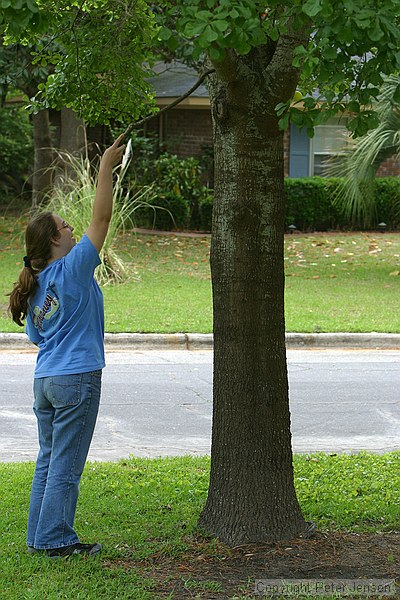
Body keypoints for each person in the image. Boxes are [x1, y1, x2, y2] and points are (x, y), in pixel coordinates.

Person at [8, 135, 126, 558]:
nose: (71, 228)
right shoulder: (74, 268)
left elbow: (37, 338)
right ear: (54, 242)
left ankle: (39, 537)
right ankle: (56, 539)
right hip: (76, 380)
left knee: (48, 459)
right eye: (63, 226)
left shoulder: (36, 287)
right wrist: (104, 168)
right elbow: (101, 218)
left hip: (45, 382)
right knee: (65, 464)